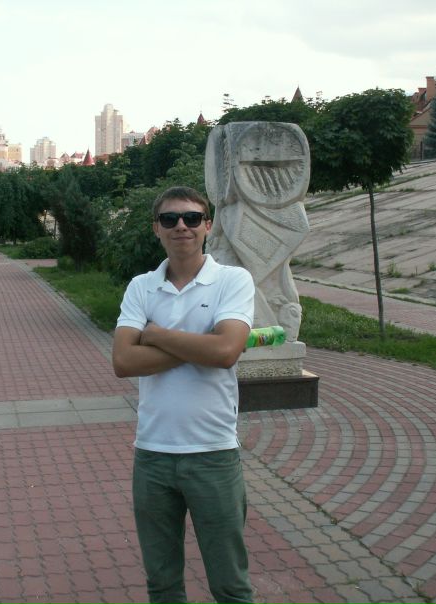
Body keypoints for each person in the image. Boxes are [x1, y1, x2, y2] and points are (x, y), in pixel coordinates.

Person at [112, 186, 255, 604]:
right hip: (152, 455)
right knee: (162, 584)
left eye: (192, 218)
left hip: (213, 454)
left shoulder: (232, 280)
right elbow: (124, 361)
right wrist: (200, 344)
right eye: (170, 219)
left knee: (230, 585)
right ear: (156, 228)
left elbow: (225, 353)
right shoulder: (141, 286)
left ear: (207, 226)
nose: (181, 227)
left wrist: (156, 335)